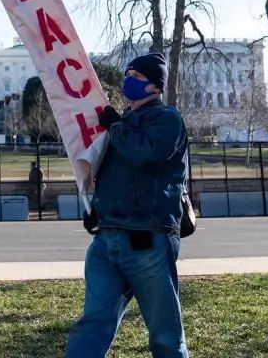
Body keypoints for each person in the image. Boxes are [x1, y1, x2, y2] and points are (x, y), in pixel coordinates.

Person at [65, 52, 190, 358]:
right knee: (93, 323)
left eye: (138, 78)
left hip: (146, 237)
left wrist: (116, 126)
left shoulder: (167, 119)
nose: (128, 82)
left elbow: (143, 155)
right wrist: (96, 210)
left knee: (164, 334)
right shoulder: (121, 123)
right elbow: (109, 174)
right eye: (128, 75)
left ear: (156, 87)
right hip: (107, 238)